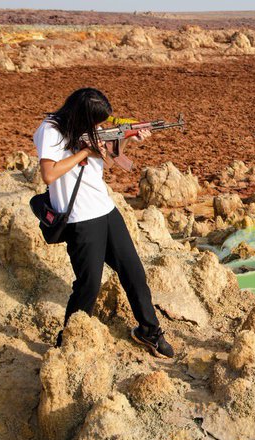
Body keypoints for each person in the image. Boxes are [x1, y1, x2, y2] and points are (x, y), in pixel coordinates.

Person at [33, 87, 174, 358]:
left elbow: (108, 162)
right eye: (96, 121)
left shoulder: (86, 129)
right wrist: (84, 153)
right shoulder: (50, 130)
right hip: (79, 220)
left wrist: (130, 138)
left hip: (106, 211)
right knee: (89, 285)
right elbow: (49, 175)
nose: (99, 126)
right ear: (83, 115)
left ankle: (149, 330)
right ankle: (69, 341)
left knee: (134, 272)